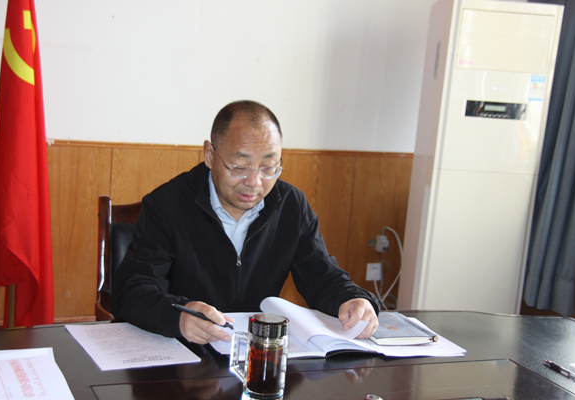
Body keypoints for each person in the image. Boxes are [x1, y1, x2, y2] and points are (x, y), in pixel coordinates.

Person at [112, 100, 380, 345]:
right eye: (240, 167)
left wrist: (353, 299)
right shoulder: (167, 205)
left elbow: (320, 276)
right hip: (186, 349)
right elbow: (133, 290)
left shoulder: (291, 205)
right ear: (209, 155)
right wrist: (178, 316)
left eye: (269, 167)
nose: (254, 182)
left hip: (261, 349)